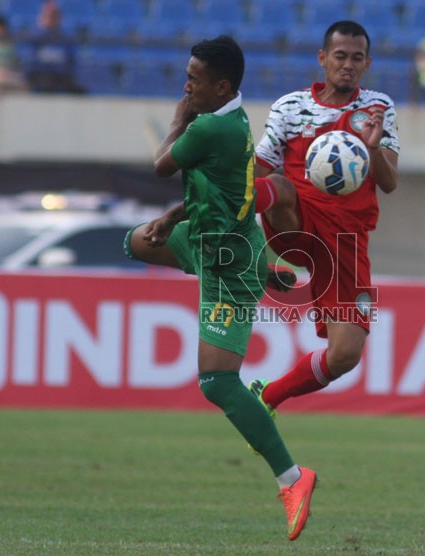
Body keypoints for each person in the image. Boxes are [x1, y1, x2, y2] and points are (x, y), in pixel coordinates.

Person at [123, 36, 316, 541]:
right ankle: (262, 269)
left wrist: (176, 118)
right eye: (186, 76)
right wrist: (170, 217)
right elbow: (219, 192)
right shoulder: (234, 120)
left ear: (222, 86)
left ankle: (293, 479)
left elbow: (162, 164)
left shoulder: (208, 126)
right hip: (211, 241)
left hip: (226, 264)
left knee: (216, 382)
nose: (186, 85)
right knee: (135, 243)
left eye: (194, 78)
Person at [248, 21, 399, 421]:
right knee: (277, 185)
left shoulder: (378, 108)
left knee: (345, 354)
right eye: (339, 56)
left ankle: (267, 397)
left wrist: (373, 148)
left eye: (356, 58)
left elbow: (390, 183)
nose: (347, 65)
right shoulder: (290, 106)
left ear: (367, 63)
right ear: (322, 59)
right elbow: (258, 170)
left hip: (346, 242)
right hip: (297, 222)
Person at [27, 0, 84, 94]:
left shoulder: (65, 38)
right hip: (41, 76)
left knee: (78, 91)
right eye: (48, 16)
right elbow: (31, 63)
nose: (51, 19)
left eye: (54, 16)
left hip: (60, 76)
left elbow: (70, 63)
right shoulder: (36, 37)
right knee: (46, 82)